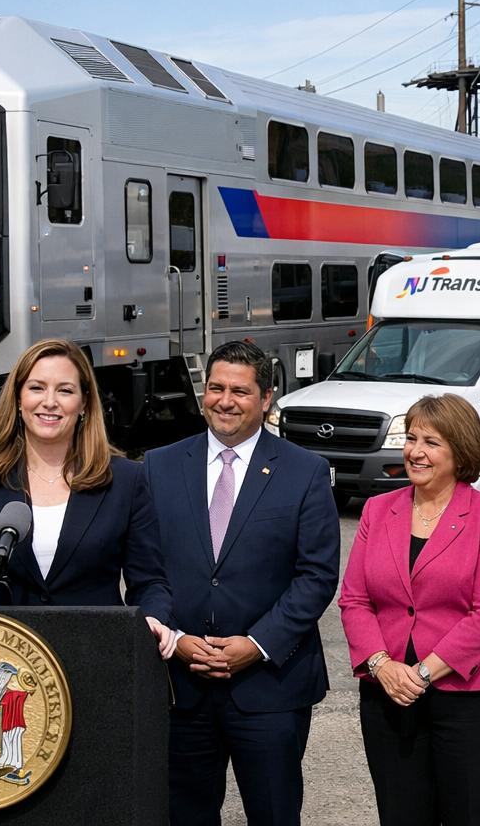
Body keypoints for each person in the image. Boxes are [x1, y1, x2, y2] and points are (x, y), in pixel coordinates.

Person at [143, 340, 340, 826]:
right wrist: (175, 639)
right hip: (181, 686)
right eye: (216, 388)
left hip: (270, 687)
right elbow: (145, 569)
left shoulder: (305, 471)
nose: (225, 401)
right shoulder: (158, 466)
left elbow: (316, 576)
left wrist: (256, 644)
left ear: (267, 398)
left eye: (240, 391)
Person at [0, 339, 175, 664]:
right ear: (18, 398)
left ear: (85, 403)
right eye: (37, 388)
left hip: (95, 660)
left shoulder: (125, 480)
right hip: (2, 666)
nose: (50, 402)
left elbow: (149, 581)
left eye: (65, 390)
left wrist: (154, 617)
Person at [338, 393, 480, 826]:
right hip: (389, 696)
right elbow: (354, 600)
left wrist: (421, 674)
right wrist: (382, 666)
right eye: (411, 438)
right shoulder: (377, 510)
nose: (415, 451)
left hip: (473, 701)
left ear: (460, 452)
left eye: (431, 442)